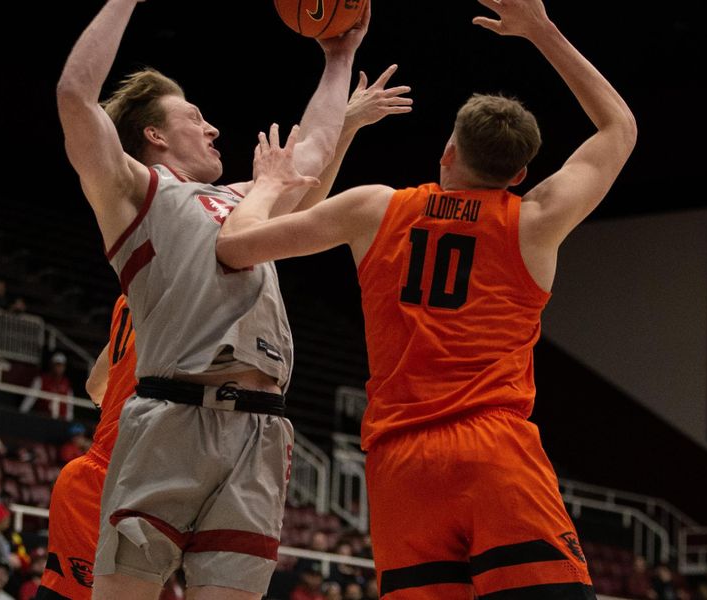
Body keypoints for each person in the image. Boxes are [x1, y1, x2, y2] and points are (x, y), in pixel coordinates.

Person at [216, 0, 637, 597]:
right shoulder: (534, 220)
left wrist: (267, 186)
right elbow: (620, 128)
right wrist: (541, 29)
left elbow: (235, 247)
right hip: (494, 449)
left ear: (448, 153)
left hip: (399, 461)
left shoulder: (375, 208)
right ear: (517, 175)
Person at [54, 0, 408, 596]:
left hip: (262, 431)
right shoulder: (136, 193)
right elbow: (73, 95)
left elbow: (314, 156)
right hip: (173, 418)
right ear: (155, 134)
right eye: (195, 117)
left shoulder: (247, 198)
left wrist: (339, 56)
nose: (213, 127)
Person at [36, 295, 137, 600]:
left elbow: (95, 386)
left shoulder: (130, 298)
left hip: (98, 474)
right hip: (116, 481)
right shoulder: (194, 300)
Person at [19, 353, 74, 421]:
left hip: (61, 421)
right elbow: (29, 400)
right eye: (57, 365)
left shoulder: (66, 383)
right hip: (43, 418)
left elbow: (69, 407)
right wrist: (21, 415)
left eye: (61, 365)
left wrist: (68, 422)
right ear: (51, 365)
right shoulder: (41, 380)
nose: (59, 368)